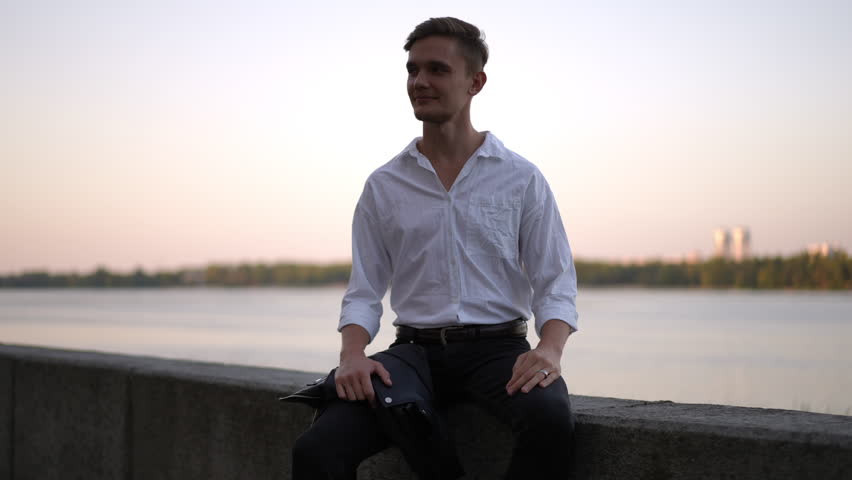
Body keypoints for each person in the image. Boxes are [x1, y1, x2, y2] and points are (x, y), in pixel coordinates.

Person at [292, 16, 578, 479]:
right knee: (316, 450)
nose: (419, 82)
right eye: (412, 69)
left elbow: (555, 280)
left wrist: (549, 350)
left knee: (550, 420)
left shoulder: (521, 177)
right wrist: (352, 356)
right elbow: (365, 290)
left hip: (499, 352)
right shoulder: (384, 185)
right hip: (413, 355)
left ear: (475, 82)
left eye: (437, 70)